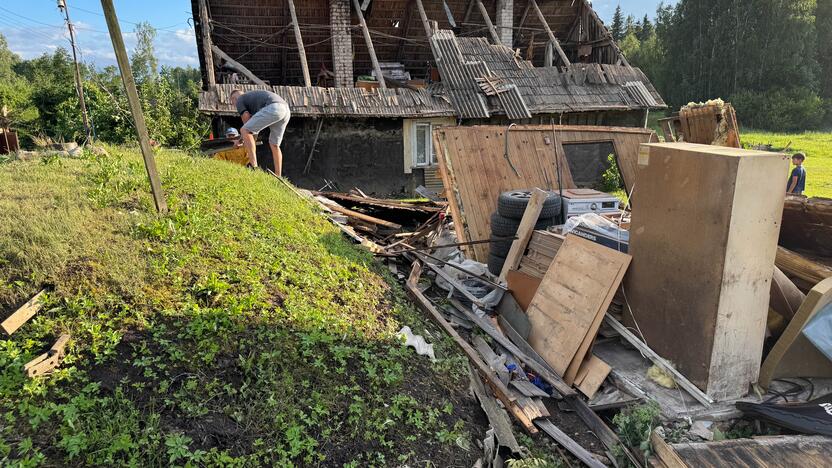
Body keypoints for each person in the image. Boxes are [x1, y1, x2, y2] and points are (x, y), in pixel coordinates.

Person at [229, 89, 291, 175]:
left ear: (234, 98)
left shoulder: (240, 99)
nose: (234, 105)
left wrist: (240, 141)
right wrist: (244, 138)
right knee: (275, 144)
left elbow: (246, 125)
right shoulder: (252, 99)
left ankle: (254, 167)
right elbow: (252, 130)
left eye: (232, 103)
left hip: (274, 107)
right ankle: (278, 176)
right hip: (286, 110)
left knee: (244, 130)